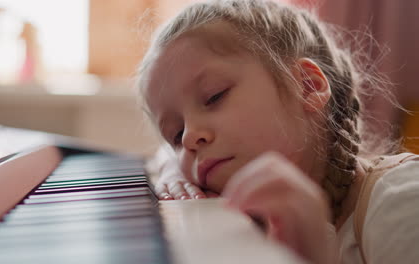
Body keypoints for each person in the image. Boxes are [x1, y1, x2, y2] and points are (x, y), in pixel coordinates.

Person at [135, 0, 419, 263]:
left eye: (214, 97)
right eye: (175, 133)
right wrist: (173, 170)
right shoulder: (234, 211)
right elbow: (165, 156)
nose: (188, 138)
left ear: (307, 86)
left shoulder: (400, 203)